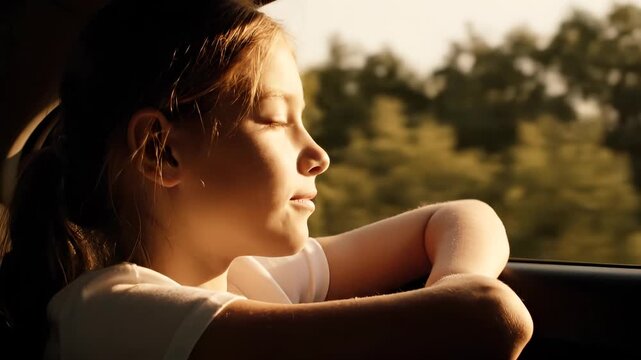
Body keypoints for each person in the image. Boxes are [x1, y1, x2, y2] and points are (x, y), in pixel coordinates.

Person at [0, 0, 533, 358]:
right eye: (277, 120)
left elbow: (462, 217)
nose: (319, 154)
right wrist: (454, 304)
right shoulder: (111, 314)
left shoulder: (257, 277)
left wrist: (451, 288)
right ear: (161, 152)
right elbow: (489, 316)